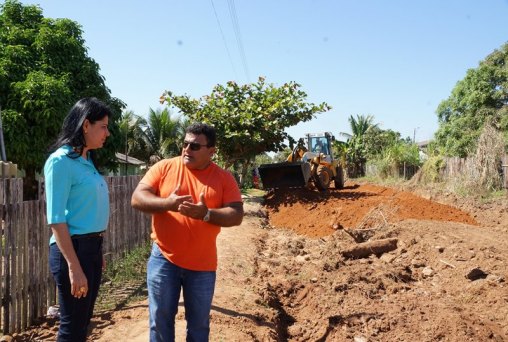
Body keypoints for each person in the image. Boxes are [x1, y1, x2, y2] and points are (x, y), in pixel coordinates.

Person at [131, 122, 244, 342]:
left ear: (211, 151)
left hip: (202, 266)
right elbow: (137, 198)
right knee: (160, 321)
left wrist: (206, 214)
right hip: (163, 259)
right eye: (184, 144)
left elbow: (237, 214)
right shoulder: (165, 168)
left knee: (199, 326)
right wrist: (167, 204)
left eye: (194, 146)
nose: (186, 149)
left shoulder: (223, 178)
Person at [44, 97, 112, 342]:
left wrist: (97, 248)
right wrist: (74, 266)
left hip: (91, 249)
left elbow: (85, 211)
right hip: (73, 251)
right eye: (103, 126)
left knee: (83, 323)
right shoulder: (60, 161)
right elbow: (56, 219)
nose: (107, 132)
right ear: (86, 125)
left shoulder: (86, 161)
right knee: (72, 328)